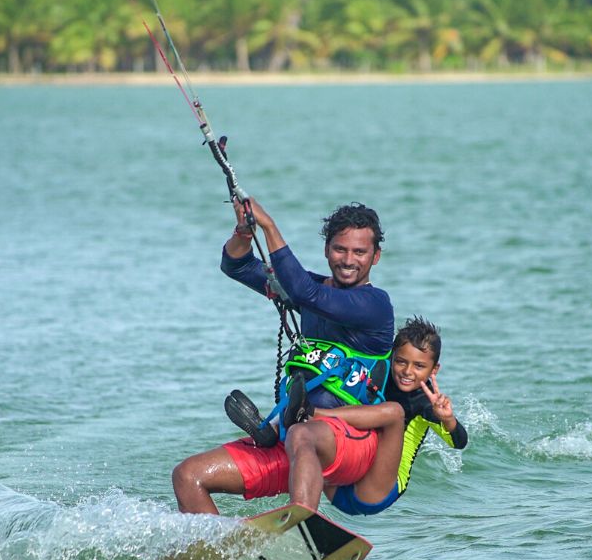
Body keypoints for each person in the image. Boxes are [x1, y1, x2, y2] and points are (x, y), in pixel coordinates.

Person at [171, 197, 394, 514]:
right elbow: (237, 265)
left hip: (351, 442)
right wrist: (244, 232)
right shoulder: (310, 290)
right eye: (339, 249)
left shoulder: (375, 305)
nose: (348, 260)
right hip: (295, 441)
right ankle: (220, 546)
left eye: (359, 252)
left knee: (303, 434)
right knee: (188, 475)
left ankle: (299, 523)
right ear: (326, 250)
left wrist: (268, 225)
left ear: (376, 256)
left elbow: (306, 293)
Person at [284, 316, 468, 515]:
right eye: (401, 362)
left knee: (393, 412)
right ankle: (300, 513)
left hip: (376, 489)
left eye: (419, 366)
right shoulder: (378, 373)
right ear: (392, 356)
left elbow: (459, 442)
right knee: (307, 431)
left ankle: (311, 412)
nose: (408, 371)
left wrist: (447, 418)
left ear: (434, 369)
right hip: (339, 480)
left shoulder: (425, 402)